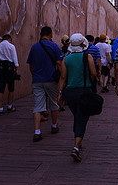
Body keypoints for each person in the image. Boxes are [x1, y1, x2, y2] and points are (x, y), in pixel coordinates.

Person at [58, 33, 97, 162]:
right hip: (84, 91)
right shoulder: (88, 57)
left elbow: (63, 77)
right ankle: (76, 147)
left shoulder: (66, 59)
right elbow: (93, 74)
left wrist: (59, 92)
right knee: (82, 118)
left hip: (70, 92)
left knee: (78, 115)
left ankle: (78, 139)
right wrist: (89, 82)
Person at [27, 26, 62, 142]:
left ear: (41, 34)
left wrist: (34, 74)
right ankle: (54, 125)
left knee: (38, 105)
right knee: (53, 103)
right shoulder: (54, 46)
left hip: (37, 80)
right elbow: (59, 62)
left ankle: (37, 131)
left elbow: (30, 65)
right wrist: (62, 76)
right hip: (51, 79)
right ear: (50, 35)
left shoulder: (34, 47)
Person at [0, 34, 19, 115]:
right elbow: (14, 58)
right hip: (9, 69)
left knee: (0, 89)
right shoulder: (11, 46)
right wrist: (16, 68)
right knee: (11, 88)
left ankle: (0, 108)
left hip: (0, 69)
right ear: (9, 39)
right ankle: (10, 106)